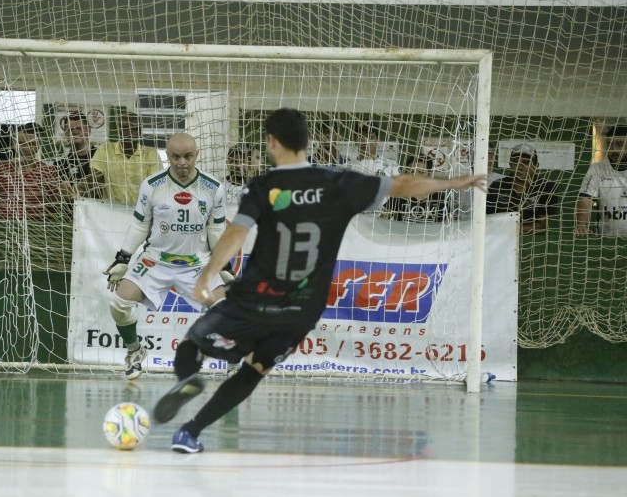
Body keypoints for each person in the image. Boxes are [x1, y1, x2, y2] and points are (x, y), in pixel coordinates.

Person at [152, 107, 487, 453]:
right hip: (302, 309)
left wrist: (207, 274)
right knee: (254, 369)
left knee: (192, 345)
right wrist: (451, 182)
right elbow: (403, 185)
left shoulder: (265, 187)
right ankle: (190, 432)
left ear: (271, 143)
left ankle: (189, 382)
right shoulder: (338, 183)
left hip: (253, 299)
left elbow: (237, 231)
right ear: (307, 142)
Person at [102, 132, 234, 380]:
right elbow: (140, 225)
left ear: (197, 155)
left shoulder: (213, 188)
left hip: (197, 263)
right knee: (119, 304)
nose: (181, 162)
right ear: (167, 156)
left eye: (187, 156)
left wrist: (223, 263)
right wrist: (123, 258)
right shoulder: (152, 185)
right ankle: (134, 351)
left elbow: (216, 228)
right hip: (156, 260)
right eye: (175, 157)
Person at [0, 123, 73, 221]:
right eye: (22, 143)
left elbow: (52, 208)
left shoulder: (48, 171)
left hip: (35, 231)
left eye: (32, 144)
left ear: (39, 145)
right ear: (13, 144)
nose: (27, 148)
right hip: (2, 230)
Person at [91, 112, 163, 205]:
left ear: (139, 132)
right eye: (125, 128)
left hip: (142, 212)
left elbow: (157, 187)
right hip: (112, 212)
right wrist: (80, 188)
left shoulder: (150, 153)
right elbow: (94, 181)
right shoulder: (105, 150)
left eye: (134, 129)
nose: (129, 133)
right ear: (118, 131)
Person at [486, 143, 557, 234]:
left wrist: (510, 230)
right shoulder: (497, 185)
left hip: (533, 239)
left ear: (536, 166)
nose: (520, 166)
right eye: (516, 162)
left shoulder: (547, 187)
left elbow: (542, 225)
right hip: (499, 235)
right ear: (510, 165)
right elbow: (489, 218)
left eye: (526, 162)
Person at [575, 125, 627, 236]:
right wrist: (581, 225)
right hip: (605, 242)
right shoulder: (597, 169)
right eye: (610, 144)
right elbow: (585, 200)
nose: (613, 149)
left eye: (619, 144)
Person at [54, 112, 105, 200]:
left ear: (88, 130)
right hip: (72, 212)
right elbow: (62, 194)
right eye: (70, 130)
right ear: (65, 134)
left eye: (79, 128)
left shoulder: (102, 156)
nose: (75, 132)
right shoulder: (60, 163)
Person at [384, 155, 448, 223]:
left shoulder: (440, 198)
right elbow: (382, 220)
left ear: (429, 175)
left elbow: (449, 223)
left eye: (421, 172)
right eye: (412, 172)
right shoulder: (399, 197)